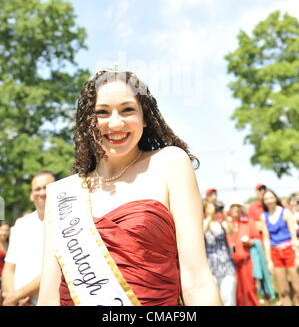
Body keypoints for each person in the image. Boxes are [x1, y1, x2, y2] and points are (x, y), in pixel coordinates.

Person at [37, 67, 222, 306]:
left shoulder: (170, 163)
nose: (115, 123)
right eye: (102, 112)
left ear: (144, 117)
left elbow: (197, 279)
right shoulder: (62, 193)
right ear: (88, 122)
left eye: (127, 110)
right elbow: (49, 294)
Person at [2, 171, 55, 306]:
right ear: (32, 195)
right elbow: (9, 268)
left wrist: (17, 296)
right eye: (38, 189)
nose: (42, 192)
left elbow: (54, 272)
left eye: (47, 187)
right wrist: (11, 296)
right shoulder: (21, 224)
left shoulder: (67, 224)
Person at [260, 189, 299, 306]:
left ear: (275, 198)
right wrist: (269, 260)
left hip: (289, 250)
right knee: (283, 290)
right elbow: (266, 239)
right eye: (266, 199)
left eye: (271, 197)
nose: (269, 201)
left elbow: (293, 235)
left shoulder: (285, 212)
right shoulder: (264, 216)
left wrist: (297, 254)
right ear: (263, 201)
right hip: (275, 252)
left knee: (297, 287)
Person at [226, 202, 260, 306]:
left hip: (246, 262)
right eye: (233, 207)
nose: (236, 209)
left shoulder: (248, 222)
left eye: (238, 207)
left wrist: (250, 242)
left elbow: (257, 239)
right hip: (231, 264)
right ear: (230, 211)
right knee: (236, 292)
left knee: (250, 290)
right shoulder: (226, 224)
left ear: (241, 210)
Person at [203, 200, 236, 306]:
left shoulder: (222, 223)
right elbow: (201, 232)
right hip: (211, 267)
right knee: (213, 300)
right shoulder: (204, 223)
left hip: (226, 265)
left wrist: (223, 214)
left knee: (229, 297)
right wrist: (209, 216)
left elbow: (231, 230)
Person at [0, 222, 10, 306]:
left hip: (7, 279)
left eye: (6, 230)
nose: (4, 232)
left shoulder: (10, 245)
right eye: (2, 230)